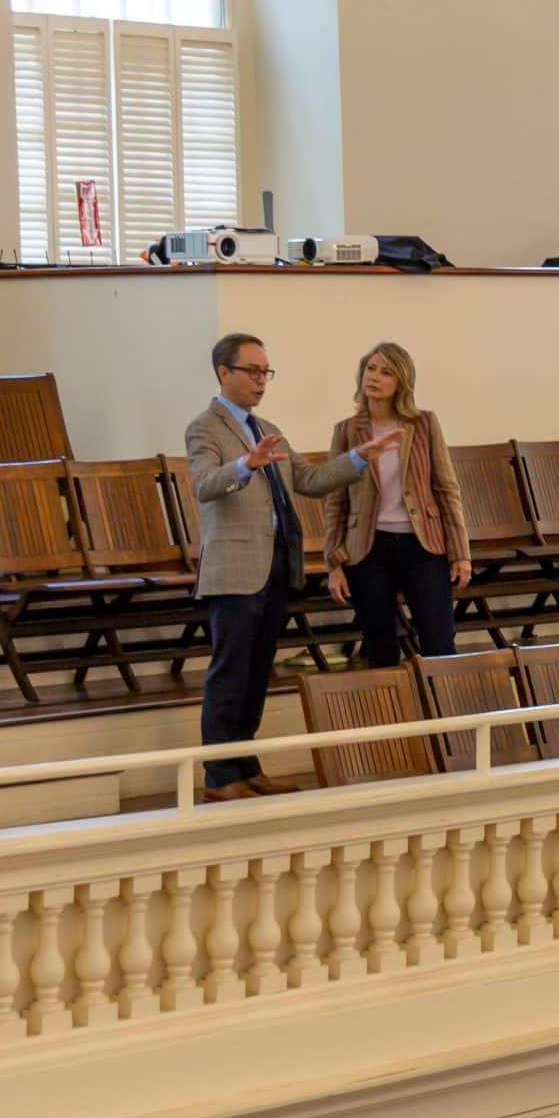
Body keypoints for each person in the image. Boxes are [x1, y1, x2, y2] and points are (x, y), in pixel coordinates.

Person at [187, 333, 392, 798]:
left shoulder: (267, 427)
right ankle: (219, 777)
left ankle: (245, 764)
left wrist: (360, 457)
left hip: (276, 565)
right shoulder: (205, 427)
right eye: (253, 371)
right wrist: (245, 464)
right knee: (231, 670)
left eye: (266, 372)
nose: (262, 381)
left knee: (258, 670)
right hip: (237, 568)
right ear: (225, 373)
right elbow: (203, 485)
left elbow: (311, 480)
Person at [322, 342, 470, 668]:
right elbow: (336, 500)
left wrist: (460, 553)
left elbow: (447, 489)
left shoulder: (424, 424)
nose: (374, 377)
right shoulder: (347, 431)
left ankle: (447, 717)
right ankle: (392, 717)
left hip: (423, 545)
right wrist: (334, 564)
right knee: (379, 646)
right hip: (367, 548)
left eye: (386, 371)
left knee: (439, 643)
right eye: (371, 368)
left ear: (401, 382)